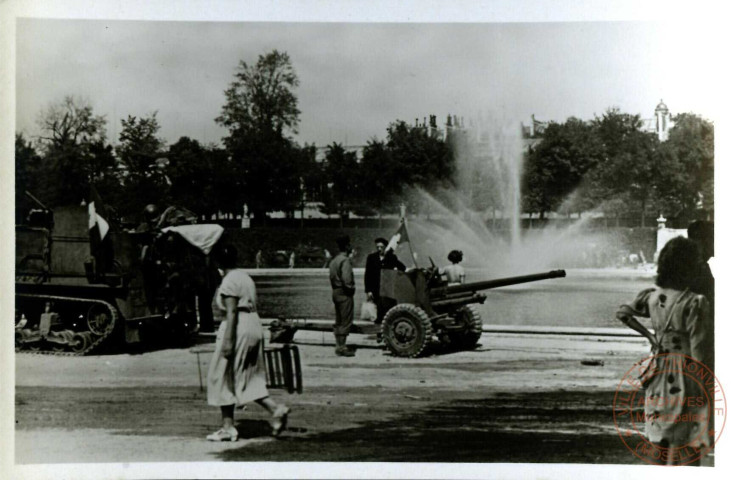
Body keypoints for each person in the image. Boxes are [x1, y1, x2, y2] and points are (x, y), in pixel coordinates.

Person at [616, 237, 713, 465]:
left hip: (658, 371)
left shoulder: (652, 297)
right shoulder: (695, 302)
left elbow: (623, 313)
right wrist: (704, 385)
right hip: (686, 373)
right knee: (689, 442)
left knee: (658, 439)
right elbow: (699, 348)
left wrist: (650, 336)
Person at [206, 244, 289, 441]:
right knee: (248, 376)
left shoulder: (228, 281)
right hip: (253, 324)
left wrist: (228, 340)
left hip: (238, 326)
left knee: (221, 375)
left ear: (217, 261)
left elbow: (232, 311)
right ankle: (276, 409)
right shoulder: (245, 277)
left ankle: (228, 427)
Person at [364, 237, 406, 324]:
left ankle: (388, 329)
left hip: (388, 290)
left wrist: (390, 257)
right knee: (378, 311)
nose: (379, 249)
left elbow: (402, 268)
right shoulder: (371, 258)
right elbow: (368, 275)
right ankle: (379, 331)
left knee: (388, 310)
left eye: (381, 247)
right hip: (376, 289)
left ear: (386, 247)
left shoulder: (391, 257)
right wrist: (368, 290)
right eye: (377, 247)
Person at [329, 235, 356, 356]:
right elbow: (347, 279)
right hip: (344, 292)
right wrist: (351, 288)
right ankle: (342, 347)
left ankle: (338, 345)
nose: (351, 247)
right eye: (349, 244)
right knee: (346, 320)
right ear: (346, 246)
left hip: (335, 291)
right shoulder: (345, 260)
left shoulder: (334, 260)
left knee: (338, 319)